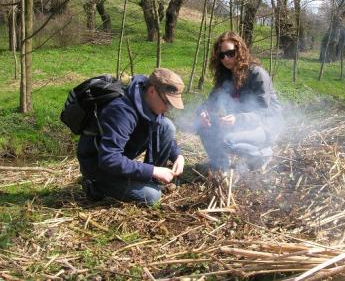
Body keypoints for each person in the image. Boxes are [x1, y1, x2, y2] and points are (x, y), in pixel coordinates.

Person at [77, 68, 185, 205]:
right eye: (167, 102)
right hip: (98, 166)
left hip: (120, 157)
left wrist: (178, 155)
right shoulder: (122, 111)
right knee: (153, 196)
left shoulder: (149, 103)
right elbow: (109, 159)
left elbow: (158, 128)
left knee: (167, 126)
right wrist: (153, 170)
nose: (169, 108)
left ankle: (151, 180)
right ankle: (96, 186)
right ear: (152, 91)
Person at [196, 31, 281, 172]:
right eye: (221, 55)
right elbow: (210, 102)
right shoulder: (226, 76)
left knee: (227, 141)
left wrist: (237, 119)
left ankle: (262, 155)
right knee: (203, 128)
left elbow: (264, 113)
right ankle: (221, 167)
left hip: (265, 127)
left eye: (230, 53)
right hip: (241, 124)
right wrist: (203, 112)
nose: (226, 59)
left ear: (240, 51)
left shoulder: (257, 74)